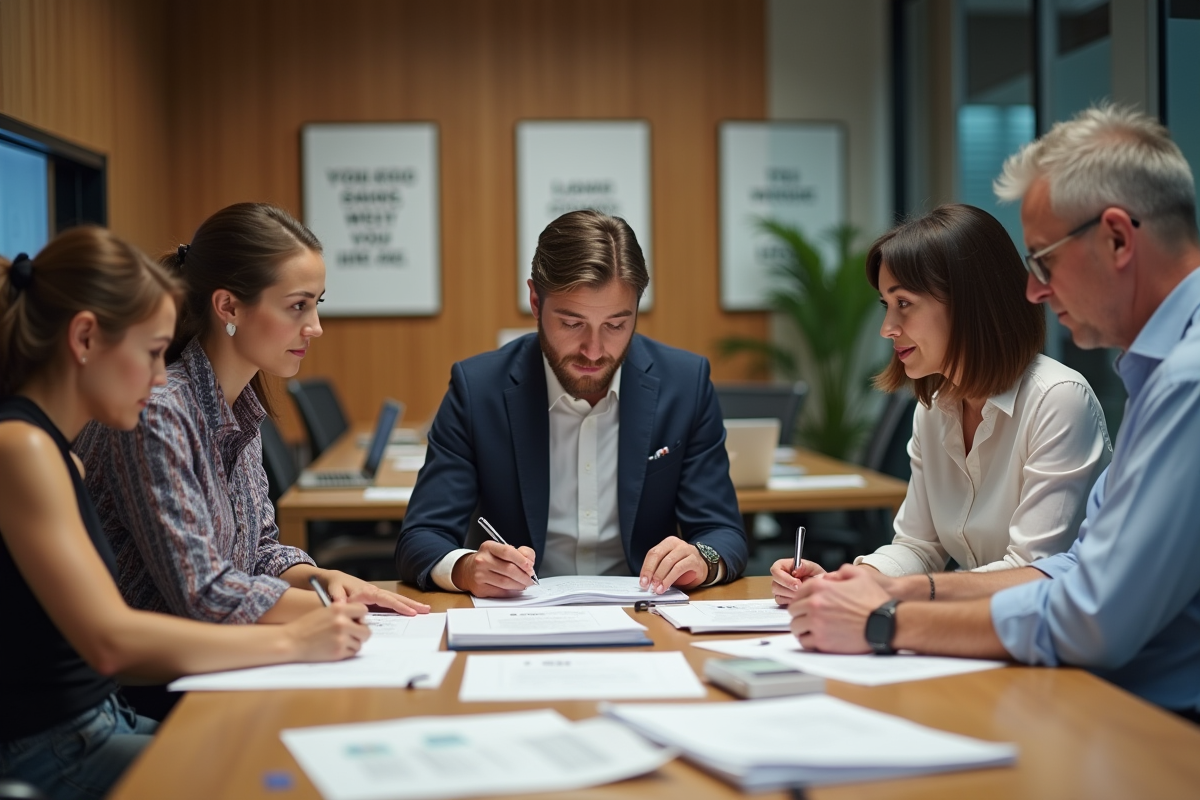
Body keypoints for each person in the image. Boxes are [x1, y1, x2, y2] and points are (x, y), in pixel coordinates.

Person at [785, 105, 1200, 722]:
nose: (1034, 290)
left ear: (1117, 238)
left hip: (1154, 721)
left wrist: (887, 619)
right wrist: (883, 585)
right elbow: (1071, 568)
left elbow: (1091, 617)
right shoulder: (1158, 374)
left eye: (1045, 261)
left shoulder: (1182, 382)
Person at [0, 228, 370, 800]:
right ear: (85, 338)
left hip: (102, 720)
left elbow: (112, 645)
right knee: (282, 780)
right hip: (53, 747)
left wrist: (314, 601)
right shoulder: (21, 446)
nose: (158, 376)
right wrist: (295, 640)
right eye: (152, 352)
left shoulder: (55, 454)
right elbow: (112, 640)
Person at [74, 204, 427, 714]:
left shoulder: (238, 405)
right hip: (144, 691)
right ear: (229, 308)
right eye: (297, 306)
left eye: (317, 304)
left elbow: (259, 550)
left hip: (215, 667)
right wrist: (321, 610)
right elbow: (203, 594)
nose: (315, 327)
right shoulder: (159, 412)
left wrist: (322, 580)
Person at [395, 209, 748, 596]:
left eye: (616, 325)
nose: (593, 350)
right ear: (535, 301)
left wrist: (701, 559)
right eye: (572, 323)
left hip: (645, 609)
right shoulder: (478, 389)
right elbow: (421, 537)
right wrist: (466, 569)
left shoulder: (685, 383)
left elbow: (722, 532)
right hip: (522, 611)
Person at [770, 205, 1109, 604]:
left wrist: (899, 591)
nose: (887, 329)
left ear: (969, 303)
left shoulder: (1058, 399)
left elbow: (1033, 572)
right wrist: (845, 582)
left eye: (904, 303)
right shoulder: (933, 409)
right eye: (886, 305)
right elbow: (918, 546)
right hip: (976, 626)